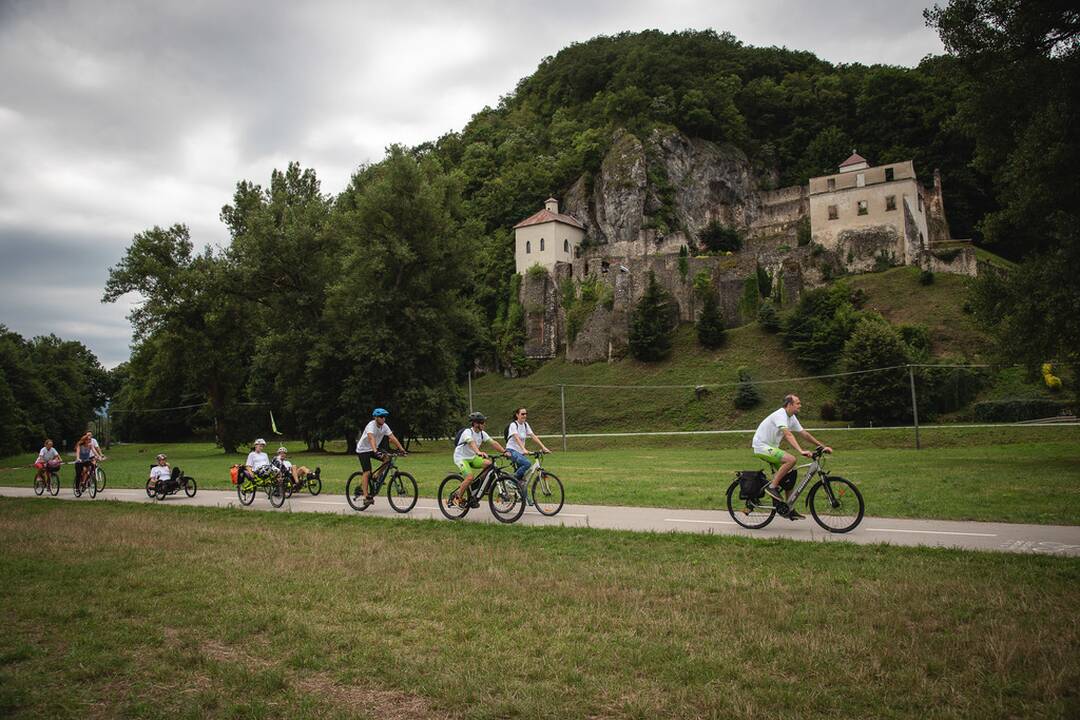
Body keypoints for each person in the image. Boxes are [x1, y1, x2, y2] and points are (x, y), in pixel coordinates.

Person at [752, 394, 832, 516]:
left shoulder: (791, 417)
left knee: (791, 475)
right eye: (798, 403)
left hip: (772, 448)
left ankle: (788, 508)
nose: (800, 405)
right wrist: (800, 451)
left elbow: (804, 434)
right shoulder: (780, 415)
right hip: (761, 447)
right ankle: (772, 487)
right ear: (789, 405)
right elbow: (788, 434)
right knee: (791, 459)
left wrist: (821, 446)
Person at [450, 411, 509, 508]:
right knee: (469, 477)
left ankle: (477, 487)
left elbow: (493, 443)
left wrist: (504, 451)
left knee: (489, 465)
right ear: (476, 424)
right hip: (461, 458)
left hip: (472, 457)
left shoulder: (482, 434)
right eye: (482, 422)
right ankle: (457, 497)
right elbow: (471, 442)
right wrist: (478, 452)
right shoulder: (467, 432)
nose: (484, 424)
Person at [354, 408, 407, 509]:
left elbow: (393, 438)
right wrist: (375, 450)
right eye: (381, 417)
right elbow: (371, 438)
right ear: (376, 418)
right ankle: (366, 497)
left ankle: (376, 476)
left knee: (387, 459)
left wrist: (402, 449)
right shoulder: (371, 426)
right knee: (367, 472)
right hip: (363, 450)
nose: (383, 419)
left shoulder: (384, 426)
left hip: (374, 449)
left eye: (384, 417)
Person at [504, 407, 552, 505]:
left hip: (520, 452)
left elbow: (533, 436)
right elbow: (516, 438)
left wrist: (543, 447)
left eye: (526, 414)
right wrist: (524, 449)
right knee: (527, 463)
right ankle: (511, 481)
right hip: (511, 450)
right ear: (517, 415)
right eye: (522, 414)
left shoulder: (525, 425)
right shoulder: (514, 425)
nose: (525, 416)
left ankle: (524, 497)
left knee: (522, 479)